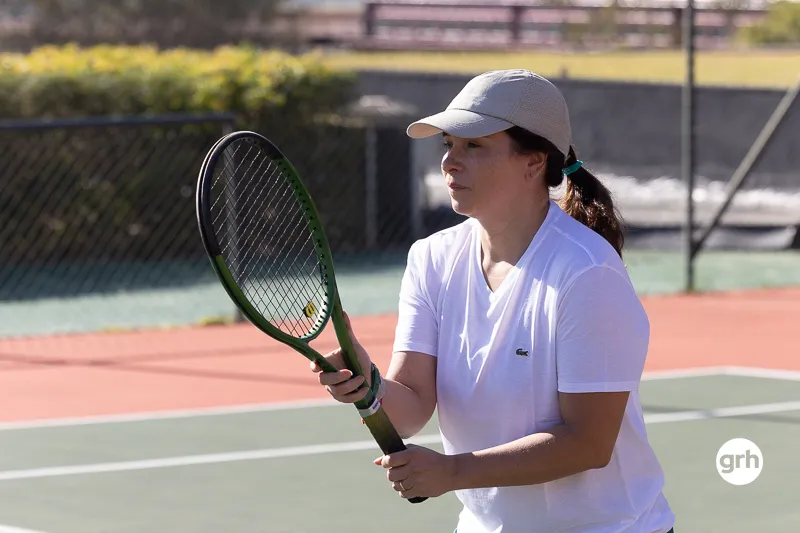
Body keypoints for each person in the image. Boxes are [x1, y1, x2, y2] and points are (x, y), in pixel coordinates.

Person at [311, 69, 676, 533]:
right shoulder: (431, 259)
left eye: (474, 145)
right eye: (448, 144)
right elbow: (410, 407)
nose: (449, 162)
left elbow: (588, 443)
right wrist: (368, 383)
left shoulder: (587, 273)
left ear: (534, 162)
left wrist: (452, 471)